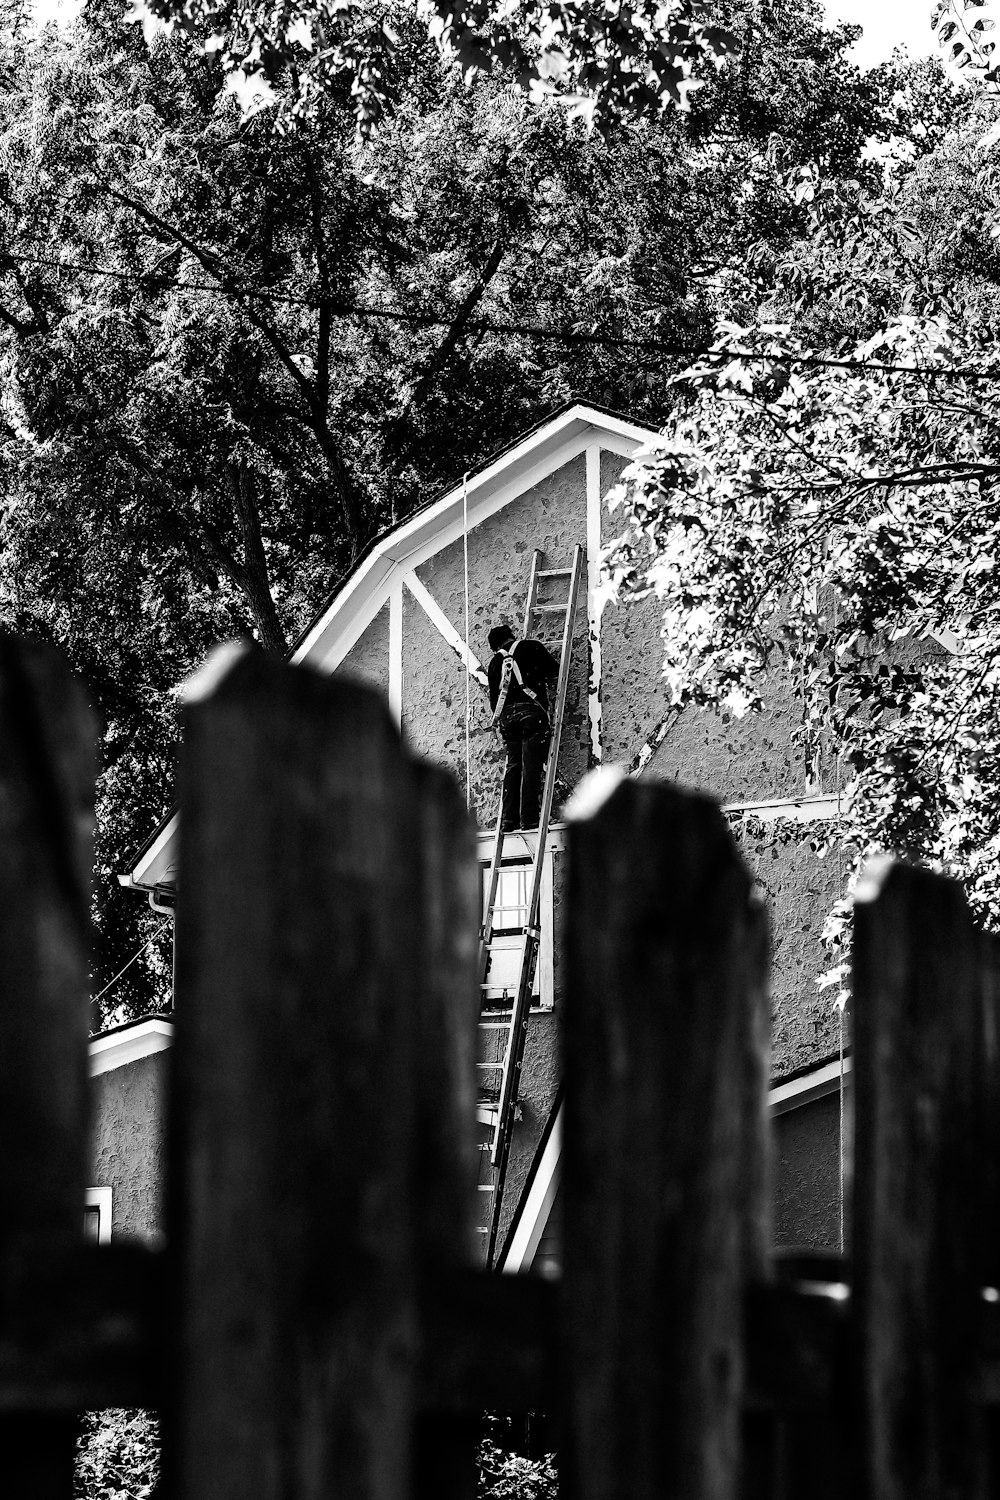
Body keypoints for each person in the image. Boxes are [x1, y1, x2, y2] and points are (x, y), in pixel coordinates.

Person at [487, 623, 559, 832]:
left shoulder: (494, 663)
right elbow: (554, 671)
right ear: (512, 636)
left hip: (507, 718)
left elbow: (494, 702)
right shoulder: (530, 647)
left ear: (495, 647)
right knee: (531, 766)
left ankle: (509, 820)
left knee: (514, 766)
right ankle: (528, 818)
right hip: (531, 713)